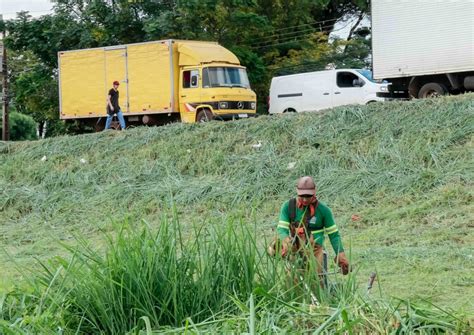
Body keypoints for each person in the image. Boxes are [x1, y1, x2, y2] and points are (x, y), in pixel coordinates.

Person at [269, 176, 350, 281]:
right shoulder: (288, 207)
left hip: (315, 250)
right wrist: (285, 244)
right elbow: (282, 229)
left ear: (315, 192)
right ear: (297, 191)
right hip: (295, 248)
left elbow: (334, 235)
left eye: (308, 196)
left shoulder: (324, 211)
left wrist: (341, 254)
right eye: (302, 196)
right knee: (293, 281)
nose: (305, 199)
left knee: (317, 283)